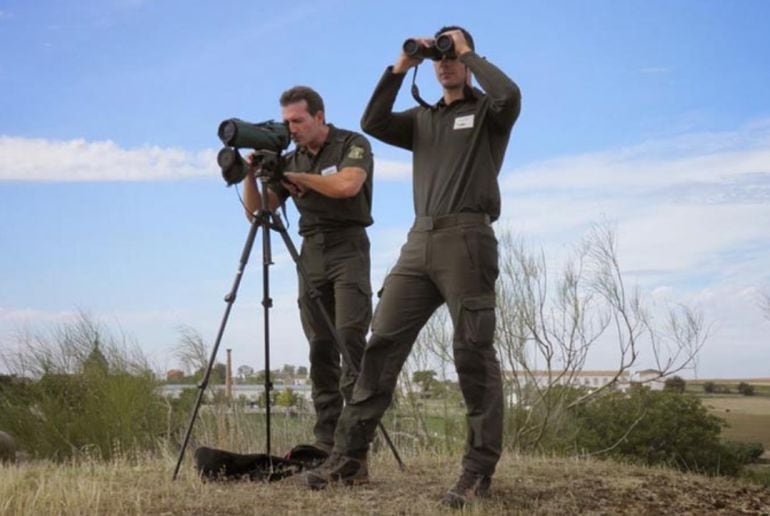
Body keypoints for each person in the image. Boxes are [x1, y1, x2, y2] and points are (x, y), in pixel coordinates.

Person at [304, 26, 521, 508]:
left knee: (472, 352)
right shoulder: (422, 120)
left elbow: (509, 94)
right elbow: (373, 120)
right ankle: (349, 459)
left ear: (466, 58)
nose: (443, 62)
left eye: (451, 53)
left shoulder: (488, 112)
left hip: (467, 238)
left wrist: (467, 51)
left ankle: (476, 472)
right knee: (380, 346)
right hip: (418, 239)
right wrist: (404, 64)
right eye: (437, 55)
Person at [242, 86, 374, 455]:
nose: (292, 128)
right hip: (310, 250)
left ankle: (357, 443)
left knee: (350, 339)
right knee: (319, 348)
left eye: (297, 120)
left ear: (319, 116)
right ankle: (326, 440)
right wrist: (250, 175)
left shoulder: (351, 143)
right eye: (286, 122)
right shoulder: (290, 159)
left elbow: (348, 185)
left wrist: (300, 179)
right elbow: (258, 212)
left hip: (348, 246)